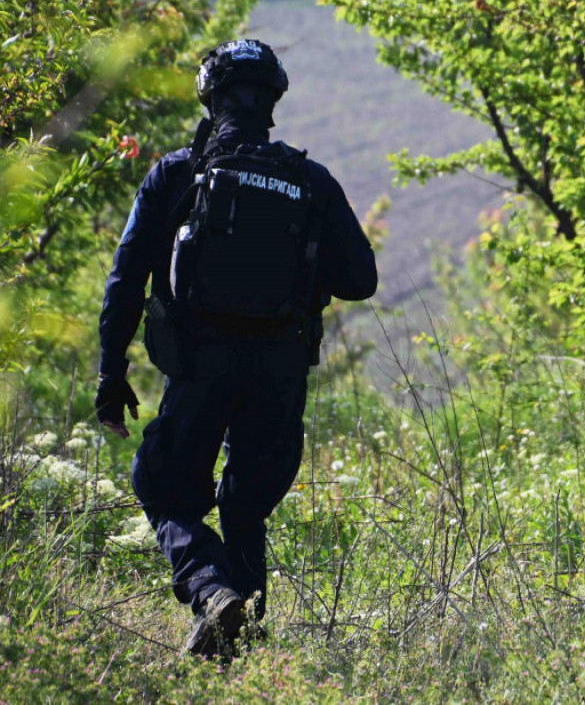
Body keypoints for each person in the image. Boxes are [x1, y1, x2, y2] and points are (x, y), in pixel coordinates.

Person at [94, 39, 378, 657]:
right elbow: (362, 280)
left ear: (209, 97)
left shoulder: (176, 174)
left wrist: (111, 374)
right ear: (273, 100)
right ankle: (239, 644)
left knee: (163, 488)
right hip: (281, 370)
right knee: (245, 508)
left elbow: (125, 280)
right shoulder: (310, 180)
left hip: (200, 365)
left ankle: (212, 592)